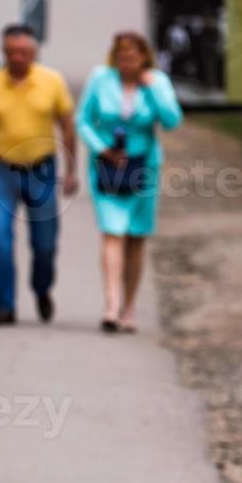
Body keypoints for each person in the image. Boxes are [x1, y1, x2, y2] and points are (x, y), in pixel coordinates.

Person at [0, 24, 80, 327]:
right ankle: (5, 306)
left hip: (41, 170)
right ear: (3, 52)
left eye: (24, 52)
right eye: (11, 52)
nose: (17, 58)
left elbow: (68, 125)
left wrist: (71, 171)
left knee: (45, 243)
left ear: (34, 52)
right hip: (0, 170)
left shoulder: (51, 82)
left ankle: (42, 289)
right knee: (0, 239)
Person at [76, 31, 182, 333]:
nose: (127, 65)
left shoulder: (156, 83)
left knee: (135, 236)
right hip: (107, 166)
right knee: (112, 232)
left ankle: (129, 307)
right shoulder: (101, 79)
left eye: (133, 59)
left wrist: (155, 90)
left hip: (143, 167)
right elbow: (82, 120)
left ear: (144, 59)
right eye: (122, 59)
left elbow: (172, 121)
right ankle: (110, 305)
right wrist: (102, 149)